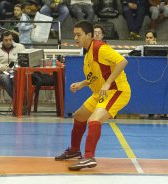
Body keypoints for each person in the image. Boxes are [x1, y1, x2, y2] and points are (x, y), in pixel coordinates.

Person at [55, 20, 131, 170]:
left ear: (89, 35)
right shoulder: (88, 52)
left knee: (94, 121)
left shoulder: (99, 48)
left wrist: (108, 83)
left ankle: (89, 157)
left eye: (79, 35)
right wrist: (82, 84)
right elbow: (95, 76)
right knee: (79, 116)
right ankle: (74, 150)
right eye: (74, 35)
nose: (75, 38)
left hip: (116, 91)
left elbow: (122, 62)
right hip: (100, 93)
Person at [0, 31, 25, 99]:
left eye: (10, 40)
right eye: (6, 40)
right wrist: (5, 67)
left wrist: (14, 67)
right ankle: (18, 100)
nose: (8, 42)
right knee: (5, 78)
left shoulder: (20, 47)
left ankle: (19, 100)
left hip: (14, 71)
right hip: (2, 73)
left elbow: (23, 62)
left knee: (15, 77)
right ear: (2, 40)